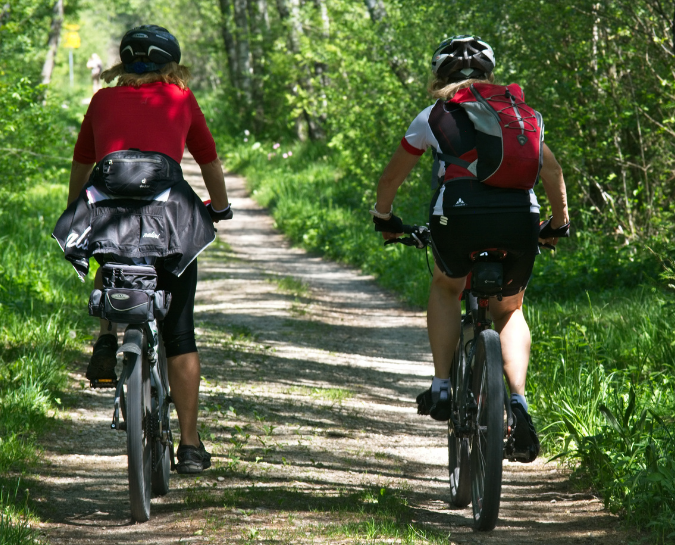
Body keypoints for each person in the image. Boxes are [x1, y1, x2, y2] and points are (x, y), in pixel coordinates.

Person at [371, 35, 569, 462]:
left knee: (446, 285)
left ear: (439, 76)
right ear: (488, 74)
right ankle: (518, 401)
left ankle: (442, 386)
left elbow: (390, 180)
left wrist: (384, 220)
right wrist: (557, 225)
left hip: (457, 220)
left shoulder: (433, 116)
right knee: (510, 310)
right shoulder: (519, 114)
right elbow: (551, 170)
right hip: (519, 220)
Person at [64, 25, 232, 474]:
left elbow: (83, 164)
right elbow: (208, 160)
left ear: (123, 63)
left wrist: (75, 210)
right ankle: (191, 446)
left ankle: (105, 336)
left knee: (109, 252)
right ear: (170, 65)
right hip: (169, 219)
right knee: (180, 333)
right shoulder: (179, 98)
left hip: (109, 212)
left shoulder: (101, 100)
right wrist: (221, 208)